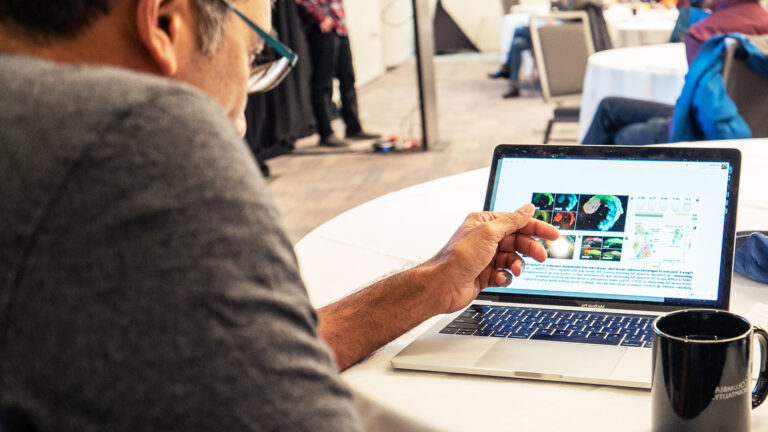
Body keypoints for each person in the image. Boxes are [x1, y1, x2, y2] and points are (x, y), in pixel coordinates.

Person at [0, 0, 560, 430]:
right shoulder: (135, 132)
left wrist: (433, 283)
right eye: (253, 56)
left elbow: (227, 366)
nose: (243, 121)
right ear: (166, 24)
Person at [581, 0, 768, 145]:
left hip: (698, 130)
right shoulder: (763, 22)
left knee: (620, 133)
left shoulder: (704, 32)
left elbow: (706, 109)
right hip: (753, 127)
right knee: (609, 106)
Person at [294, 0, 379, 147]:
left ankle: (353, 128)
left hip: (340, 28)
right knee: (323, 83)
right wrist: (321, 17)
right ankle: (326, 133)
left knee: (348, 79)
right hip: (322, 29)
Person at [489, 26, 532, 98]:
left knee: (518, 30)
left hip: (547, 35)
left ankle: (505, 68)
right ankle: (514, 86)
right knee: (516, 43)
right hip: (534, 36)